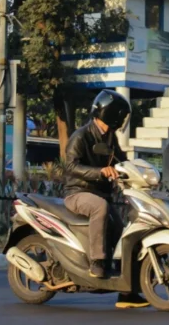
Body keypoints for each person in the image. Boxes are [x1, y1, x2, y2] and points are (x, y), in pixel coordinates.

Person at [64, 89, 149, 309]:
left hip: (101, 194)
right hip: (77, 193)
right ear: (111, 113)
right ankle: (97, 262)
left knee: (123, 233)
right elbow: (71, 167)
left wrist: (140, 171)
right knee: (100, 207)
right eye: (120, 114)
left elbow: (122, 160)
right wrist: (101, 171)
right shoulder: (81, 135)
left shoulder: (110, 137)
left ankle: (127, 293)